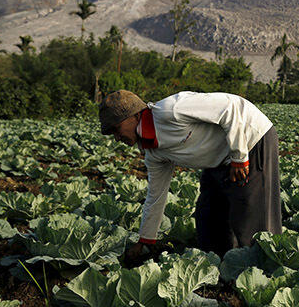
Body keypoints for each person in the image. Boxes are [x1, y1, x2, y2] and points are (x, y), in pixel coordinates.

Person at [99, 90, 282, 261]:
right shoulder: (153, 153)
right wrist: (145, 239)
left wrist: (239, 158)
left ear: (135, 115)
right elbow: (155, 196)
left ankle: (261, 270)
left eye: (117, 128)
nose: (116, 137)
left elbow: (230, 108)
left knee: (250, 214)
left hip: (250, 139)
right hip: (217, 157)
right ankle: (221, 267)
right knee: (208, 214)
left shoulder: (171, 110)